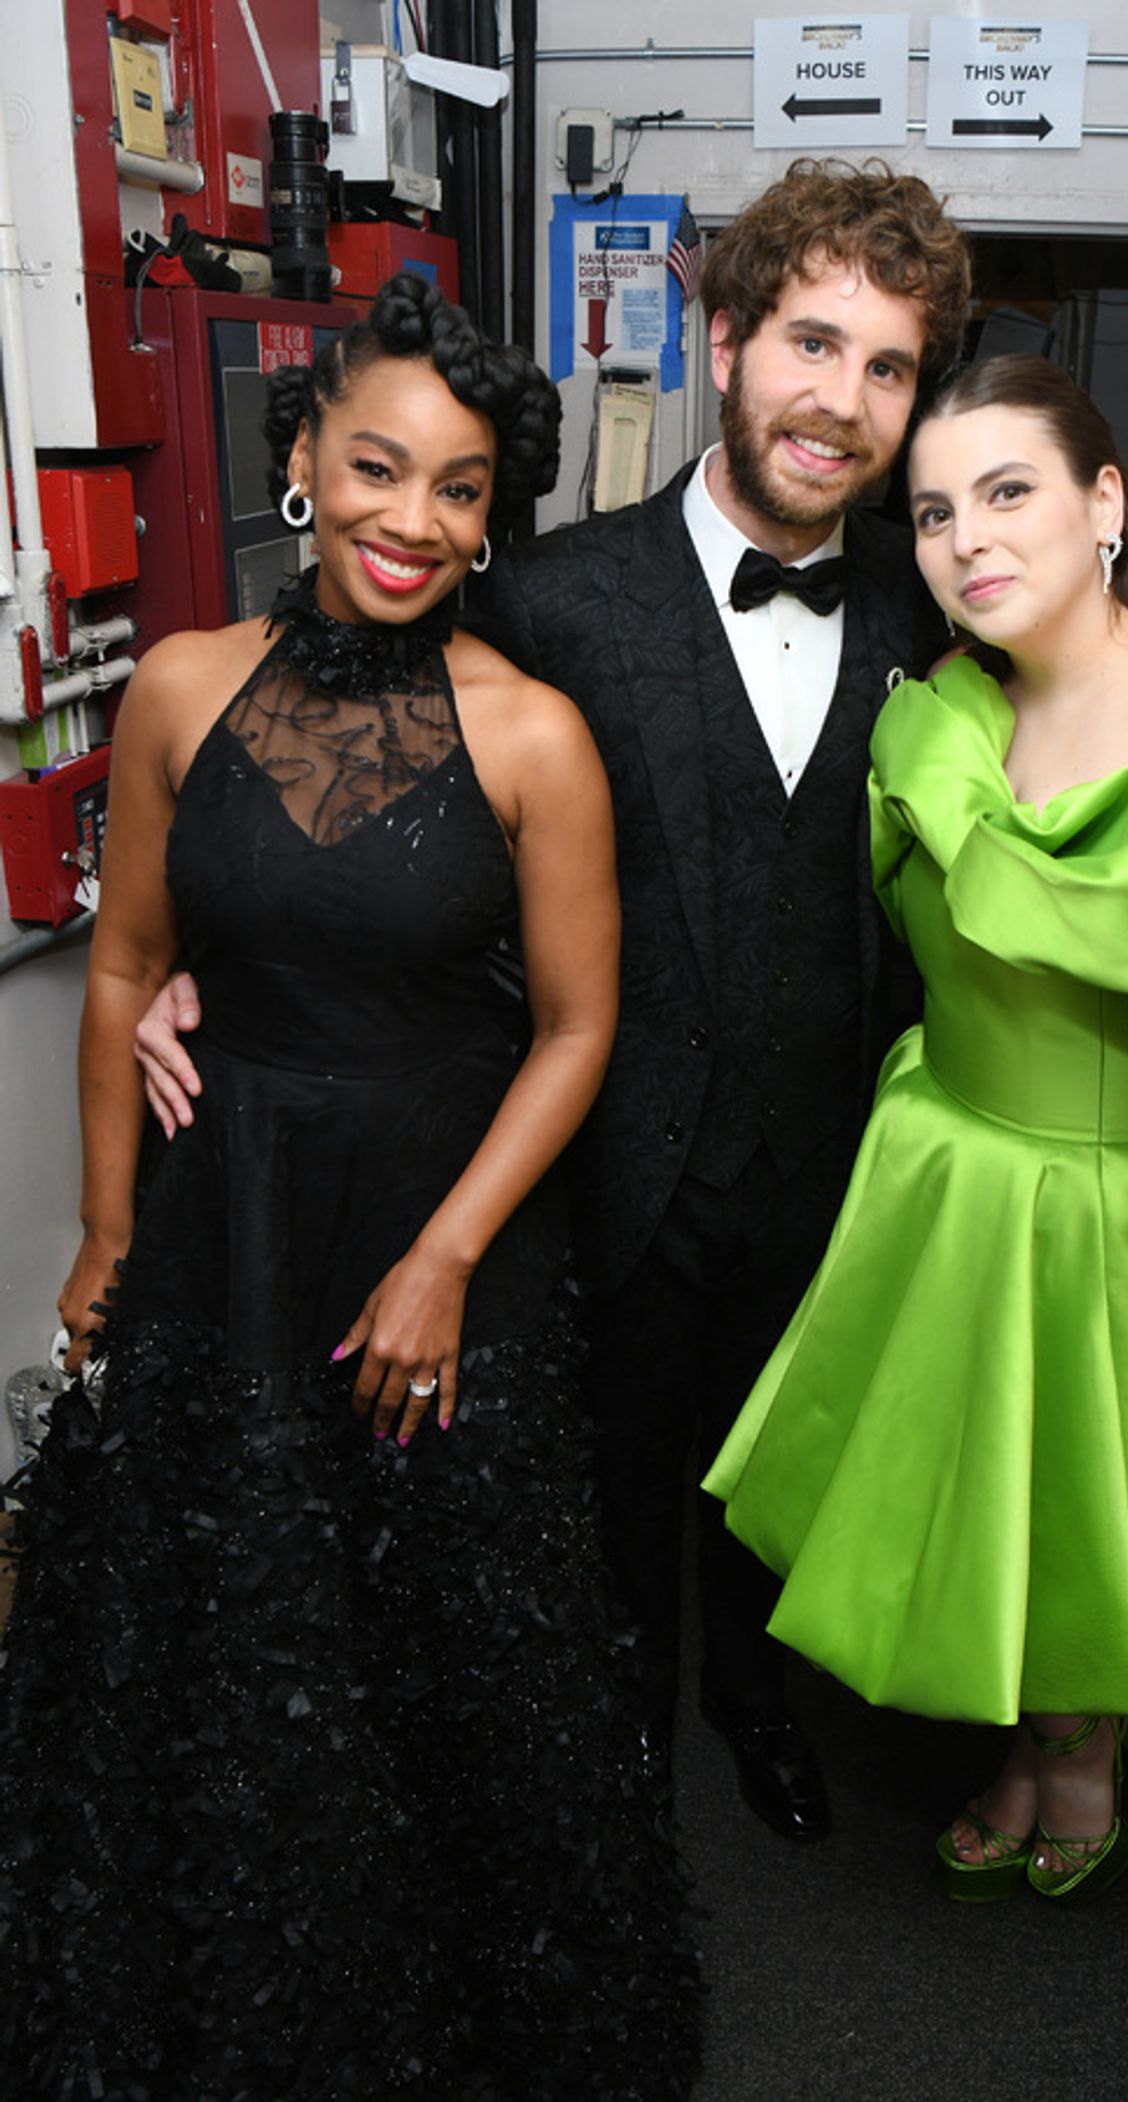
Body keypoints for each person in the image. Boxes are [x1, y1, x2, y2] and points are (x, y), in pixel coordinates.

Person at [134, 159, 972, 1844]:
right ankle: (617, 1759)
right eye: (812, 344)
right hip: (595, 1167)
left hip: (836, 1158)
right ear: (725, 342)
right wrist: (203, 961)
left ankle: (755, 1697)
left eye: (887, 367)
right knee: (595, 1505)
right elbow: (386, 806)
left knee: (787, 1465)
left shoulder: (935, 600)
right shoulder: (553, 594)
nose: (842, 400)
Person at [0, 276, 700, 2098]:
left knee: (440, 1650)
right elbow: (126, 968)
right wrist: (104, 1229)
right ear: (303, 457)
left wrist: (446, 1256)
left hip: (439, 1231)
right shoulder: (178, 687)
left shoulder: (533, 735)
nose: (412, 519)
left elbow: (579, 1029)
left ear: (493, 515)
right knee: (221, 1628)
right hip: (221, 1223)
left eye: (460, 488)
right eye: (378, 467)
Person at [705, 353, 1128, 1902]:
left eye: (1008, 491)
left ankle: (1078, 1764)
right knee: (1002, 1495)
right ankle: (1039, 1743)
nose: (968, 539)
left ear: (1104, 501)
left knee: (1095, 1508)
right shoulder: (967, 694)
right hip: (960, 1170)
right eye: (934, 511)